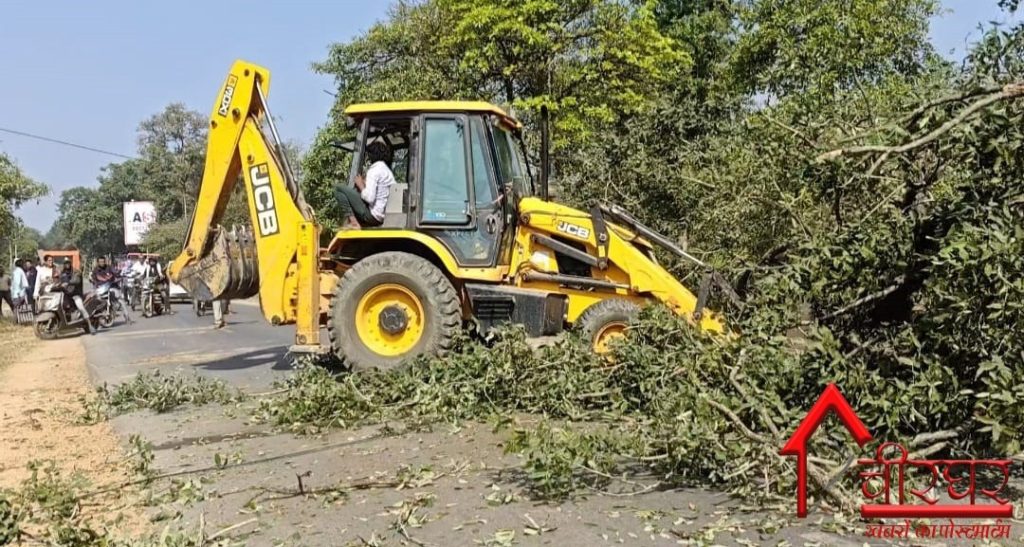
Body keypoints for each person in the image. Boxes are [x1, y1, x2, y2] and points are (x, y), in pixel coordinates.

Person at [333, 140, 395, 229]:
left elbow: (369, 198)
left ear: (372, 155)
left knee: (338, 188)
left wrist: (360, 184)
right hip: (382, 215)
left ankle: (354, 223)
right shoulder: (387, 171)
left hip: (373, 216)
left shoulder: (374, 170)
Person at [59, 264, 94, 334]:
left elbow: (76, 281)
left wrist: (68, 283)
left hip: (75, 295)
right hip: (66, 295)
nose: (67, 267)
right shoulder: (62, 274)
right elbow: (58, 282)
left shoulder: (76, 274)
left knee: (81, 307)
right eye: (66, 265)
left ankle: (90, 325)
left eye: (68, 264)